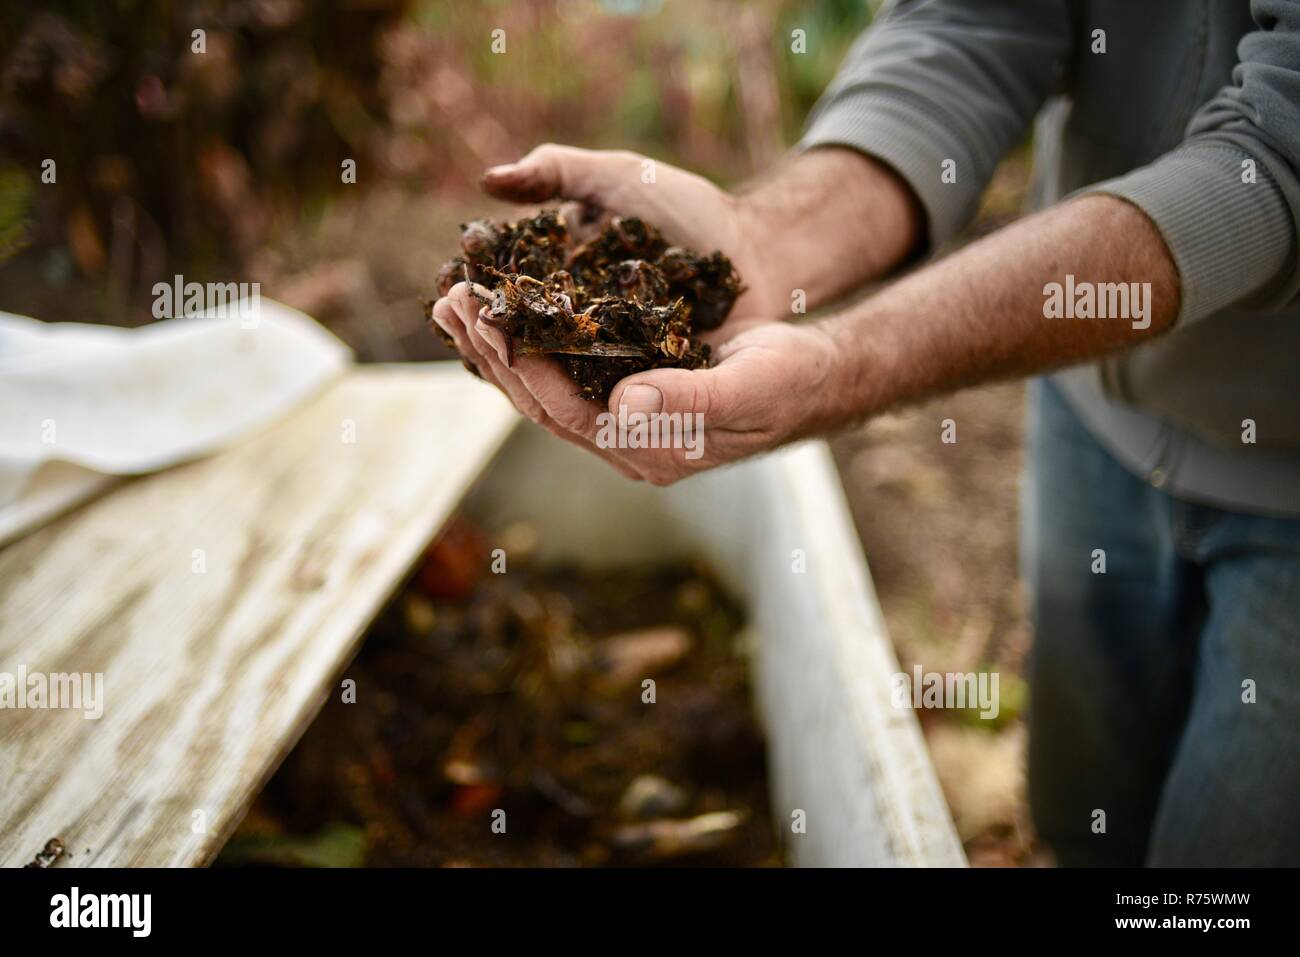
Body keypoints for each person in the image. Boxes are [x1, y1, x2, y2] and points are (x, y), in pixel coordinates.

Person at [430, 1, 1300, 866]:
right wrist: (763, 241)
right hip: (1094, 411)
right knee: (1085, 806)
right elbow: (977, 25)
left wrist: (850, 360)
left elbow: (1277, 156)